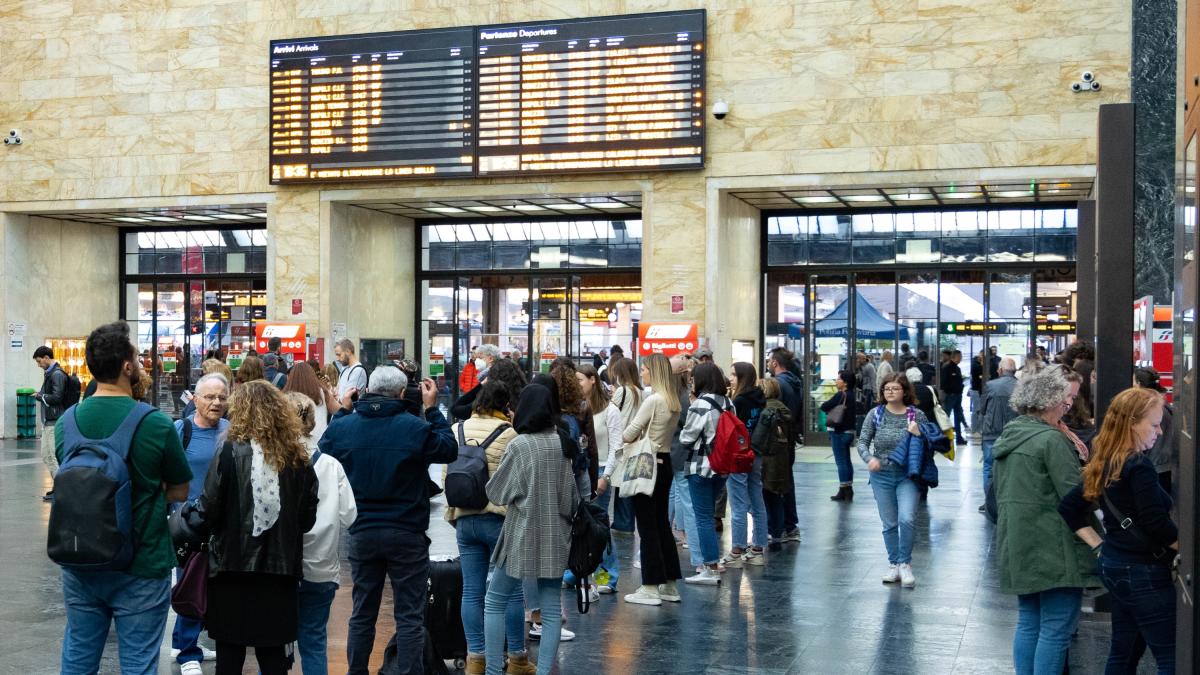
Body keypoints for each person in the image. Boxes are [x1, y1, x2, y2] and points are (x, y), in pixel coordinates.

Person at [54, 322, 192, 674]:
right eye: (138, 357)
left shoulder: (66, 423)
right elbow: (180, 490)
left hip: (80, 558)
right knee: (139, 663)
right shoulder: (156, 423)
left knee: (78, 657)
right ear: (127, 366)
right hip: (142, 563)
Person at [319, 365, 456, 675]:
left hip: (363, 531)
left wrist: (342, 411)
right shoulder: (415, 428)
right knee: (409, 614)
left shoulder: (345, 428)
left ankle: (356, 671)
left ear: (364, 392)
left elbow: (325, 448)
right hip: (407, 532)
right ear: (401, 393)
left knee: (363, 610)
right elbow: (448, 449)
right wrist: (433, 410)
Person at [199, 381, 318, 675]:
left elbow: (210, 508)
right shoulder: (298, 458)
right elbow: (307, 519)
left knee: (229, 651)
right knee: (273, 653)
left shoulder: (228, 452)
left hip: (231, 566)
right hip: (280, 570)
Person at [1059, 386, 1178, 674]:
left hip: (1114, 566)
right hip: (1144, 572)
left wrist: (1100, 546)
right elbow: (1155, 523)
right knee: (1171, 658)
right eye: (1154, 424)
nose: (1159, 432)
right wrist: (1182, 546)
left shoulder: (1107, 461)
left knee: (1124, 652)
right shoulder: (1139, 466)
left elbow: (1069, 507)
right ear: (1132, 424)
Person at [992, 365, 1096, 675]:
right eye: (1066, 400)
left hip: (1019, 541)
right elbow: (1075, 495)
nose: (1069, 406)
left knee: (1029, 623)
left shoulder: (1012, 435)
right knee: (1056, 629)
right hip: (1055, 547)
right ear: (1050, 401)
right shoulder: (1052, 441)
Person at [483, 383, 579, 675]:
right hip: (555, 535)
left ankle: (492, 671)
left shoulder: (520, 445)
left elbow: (496, 493)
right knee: (550, 611)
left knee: (495, 601)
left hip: (520, 534)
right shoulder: (562, 444)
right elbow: (572, 500)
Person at [442, 381, 533, 675]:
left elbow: (447, 474)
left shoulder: (457, 430)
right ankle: (517, 659)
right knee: (512, 592)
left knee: (472, 592)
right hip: (499, 521)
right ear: (505, 406)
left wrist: (454, 513)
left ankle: (475, 659)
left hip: (465, 521)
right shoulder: (510, 435)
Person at [283, 392, 358, 675]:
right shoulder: (330, 465)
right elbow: (349, 516)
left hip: (278, 572)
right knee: (314, 640)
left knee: (273, 643)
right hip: (321, 569)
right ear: (312, 423)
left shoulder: (269, 462)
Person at [171, 373, 230, 674]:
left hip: (222, 524)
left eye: (221, 396)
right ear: (195, 398)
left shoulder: (232, 431)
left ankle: (184, 640)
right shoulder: (182, 430)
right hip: (190, 526)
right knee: (190, 585)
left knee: (213, 588)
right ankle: (187, 653)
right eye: (209, 396)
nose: (216, 402)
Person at [620, 353, 684, 606]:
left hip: (647, 463)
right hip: (664, 462)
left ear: (654, 372)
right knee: (661, 525)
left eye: (644, 369)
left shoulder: (653, 400)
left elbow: (629, 433)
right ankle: (669, 583)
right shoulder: (673, 400)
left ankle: (649, 586)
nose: (642, 373)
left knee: (646, 526)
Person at [856, 373, 928, 588]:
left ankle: (905, 563)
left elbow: (931, 445)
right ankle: (893, 563)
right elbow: (862, 442)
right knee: (889, 523)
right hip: (881, 475)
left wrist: (919, 434)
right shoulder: (876, 414)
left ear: (905, 391)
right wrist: (869, 459)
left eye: (895, 388)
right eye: (887, 388)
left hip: (908, 475)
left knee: (906, 518)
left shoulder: (916, 415)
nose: (890, 392)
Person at [679, 361, 732, 585]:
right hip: (722, 466)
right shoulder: (728, 402)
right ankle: (712, 564)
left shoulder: (700, 404)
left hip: (700, 467)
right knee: (708, 515)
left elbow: (686, 438)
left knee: (702, 518)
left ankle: (710, 566)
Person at [574, 364, 621, 593]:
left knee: (599, 528)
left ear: (593, 380)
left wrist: (606, 476)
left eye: (580, 379)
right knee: (578, 525)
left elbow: (616, 447)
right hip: (581, 471)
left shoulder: (611, 411)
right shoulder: (577, 409)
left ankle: (606, 578)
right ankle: (576, 572)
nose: (577, 384)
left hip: (600, 471)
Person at [723, 362, 769, 567]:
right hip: (756, 453)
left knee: (738, 504)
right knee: (757, 500)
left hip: (738, 455)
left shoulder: (738, 401)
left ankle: (737, 550)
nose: (730, 378)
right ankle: (758, 547)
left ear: (742, 377)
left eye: (734, 374)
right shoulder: (761, 398)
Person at [598, 356, 641, 537]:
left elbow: (611, 411)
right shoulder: (639, 391)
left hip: (620, 442)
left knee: (620, 487)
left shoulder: (622, 391)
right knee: (627, 486)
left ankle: (623, 523)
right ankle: (626, 522)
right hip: (634, 443)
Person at [765, 347, 802, 544]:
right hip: (790, 437)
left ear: (775, 363)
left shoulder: (778, 384)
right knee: (786, 481)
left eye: (770, 360)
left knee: (775, 483)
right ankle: (790, 526)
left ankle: (779, 528)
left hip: (779, 440)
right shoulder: (795, 383)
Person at [978, 357, 1018, 510]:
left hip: (991, 433)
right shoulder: (1020, 386)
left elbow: (982, 409)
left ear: (1000, 370)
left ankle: (989, 503)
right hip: (1014, 433)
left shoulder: (990, 385)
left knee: (989, 467)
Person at [33, 345, 70, 501]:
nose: (39, 364)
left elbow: (57, 397)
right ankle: (59, 487)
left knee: (52, 455)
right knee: (46, 455)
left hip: (55, 421)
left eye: (40, 361)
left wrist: (40, 396)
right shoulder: (50, 374)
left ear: (47, 358)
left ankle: (63, 490)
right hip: (49, 421)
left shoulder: (57, 374)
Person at [1133, 367, 1176, 494]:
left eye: (1134, 382)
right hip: (1162, 464)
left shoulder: (1154, 410)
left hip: (1158, 466)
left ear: (1139, 384)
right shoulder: (1162, 406)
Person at [821, 369, 856, 501]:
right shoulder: (851, 395)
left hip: (839, 432)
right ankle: (848, 488)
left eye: (839, 378)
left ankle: (844, 490)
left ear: (845, 382)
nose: (837, 381)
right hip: (849, 432)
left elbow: (824, 406)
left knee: (841, 462)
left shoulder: (840, 395)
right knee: (846, 461)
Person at [283, 361, 339, 442]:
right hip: (320, 441)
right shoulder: (322, 392)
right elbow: (340, 411)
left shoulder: (286, 397)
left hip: (294, 443)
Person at [941, 350, 968, 442]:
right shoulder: (947, 367)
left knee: (958, 416)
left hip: (957, 395)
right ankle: (943, 438)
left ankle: (959, 438)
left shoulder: (957, 368)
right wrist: (951, 390)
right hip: (950, 396)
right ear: (954, 357)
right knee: (946, 417)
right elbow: (943, 383)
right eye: (959, 357)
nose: (960, 359)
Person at [970, 350, 985, 435]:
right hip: (976, 390)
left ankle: (979, 428)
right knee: (976, 410)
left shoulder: (984, 363)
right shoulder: (975, 363)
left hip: (982, 390)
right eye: (982, 355)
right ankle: (974, 428)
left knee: (981, 410)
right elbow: (976, 372)